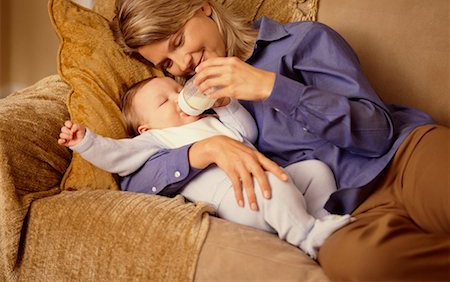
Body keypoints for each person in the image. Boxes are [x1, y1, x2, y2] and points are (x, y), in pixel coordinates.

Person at [110, 0, 449, 280]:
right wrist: (205, 150)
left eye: (178, 41)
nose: (182, 64)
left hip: (404, 158)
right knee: (364, 265)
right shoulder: (191, 110)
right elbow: (132, 180)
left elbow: (379, 134)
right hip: (340, 212)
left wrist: (272, 88)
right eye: (167, 63)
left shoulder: (302, 41)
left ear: (203, 8)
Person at [58, 76, 353, 259]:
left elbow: (246, 133)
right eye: (164, 102)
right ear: (145, 128)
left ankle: (317, 219)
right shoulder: (157, 140)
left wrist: (225, 103)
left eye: (177, 89)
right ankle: (304, 235)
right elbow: (118, 156)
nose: (178, 99)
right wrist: (86, 142)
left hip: (267, 181)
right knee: (271, 186)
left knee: (315, 170)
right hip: (238, 199)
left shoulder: (210, 120)